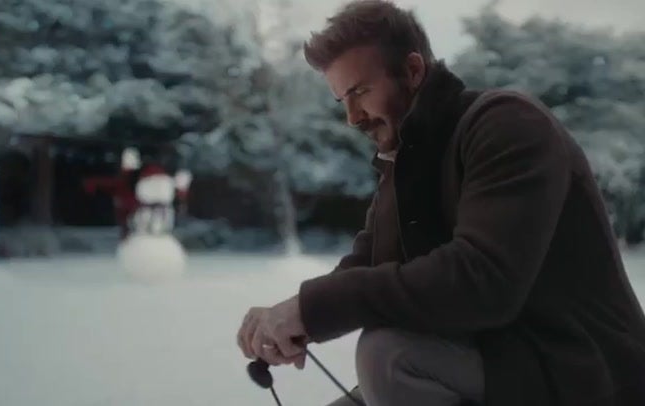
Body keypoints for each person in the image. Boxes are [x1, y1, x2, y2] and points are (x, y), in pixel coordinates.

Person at [235, 1, 645, 405]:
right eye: (342, 99)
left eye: (360, 91)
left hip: (581, 374)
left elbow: (481, 280)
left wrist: (313, 308)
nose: (352, 117)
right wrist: (294, 316)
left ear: (413, 71)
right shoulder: (407, 162)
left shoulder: (507, 125)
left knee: (387, 356)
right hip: (500, 363)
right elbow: (369, 267)